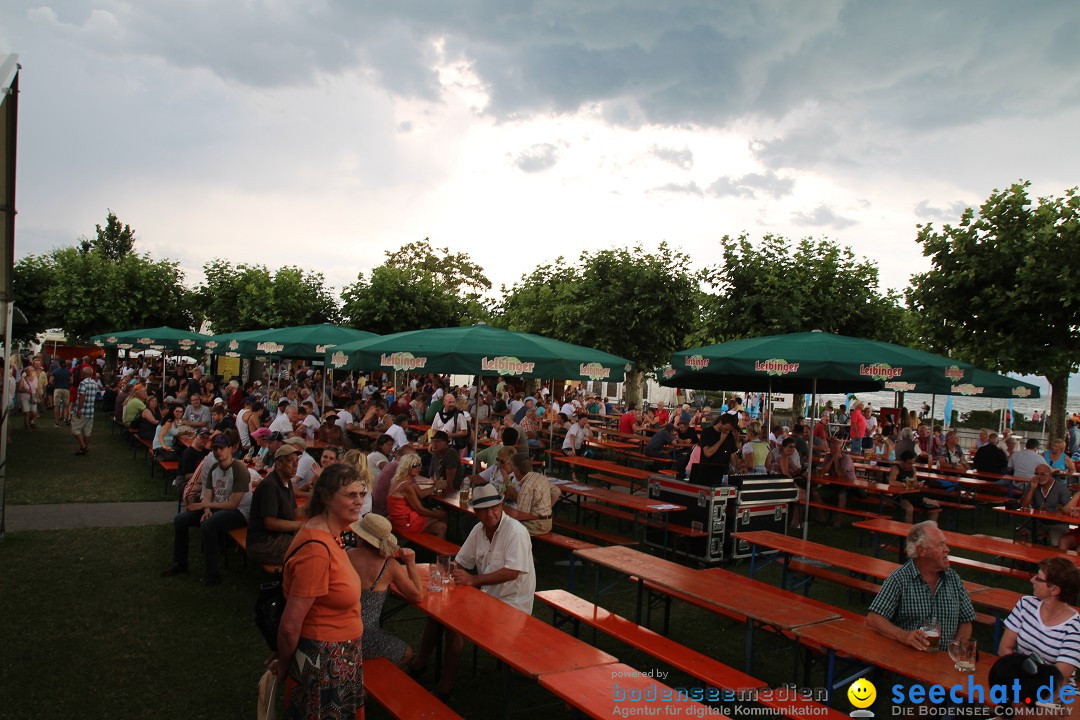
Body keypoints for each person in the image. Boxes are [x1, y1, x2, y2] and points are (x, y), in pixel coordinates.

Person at [409, 483, 535, 700]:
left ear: (501, 505)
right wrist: (451, 570)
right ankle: (420, 665)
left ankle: (445, 687)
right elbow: (460, 561)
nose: (490, 514)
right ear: (475, 512)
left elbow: (512, 572)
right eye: (484, 510)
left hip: (512, 604)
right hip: (488, 597)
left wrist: (474, 579)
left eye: (494, 507)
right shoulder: (479, 530)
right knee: (437, 615)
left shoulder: (516, 531)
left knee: (455, 623)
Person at [271, 464, 367, 719]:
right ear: (326, 497)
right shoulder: (316, 551)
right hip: (324, 662)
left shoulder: (331, 534)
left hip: (339, 654)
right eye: (350, 495)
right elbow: (290, 625)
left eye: (361, 494)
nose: (358, 501)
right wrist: (283, 662)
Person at [867, 521, 975, 650]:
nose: (947, 549)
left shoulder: (953, 578)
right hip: (909, 658)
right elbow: (873, 619)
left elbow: (966, 621)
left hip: (944, 660)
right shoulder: (900, 578)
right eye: (940, 544)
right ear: (921, 550)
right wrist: (903, 635)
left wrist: (956, 649)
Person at [161, 431, 249, 585]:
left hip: (239, 512)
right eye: (215, 448)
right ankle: (180, 563)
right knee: (180, 520)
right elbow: (207, 493)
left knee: (208, 525)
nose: (218, 451)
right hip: (218, 506)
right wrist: (206, 509)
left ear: (231, 449)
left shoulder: (239, 469)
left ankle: (212, 575)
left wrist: (205, 506)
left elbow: (233, 503)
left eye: (222, 448)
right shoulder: (214, 467)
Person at [347, 513, 424, 667]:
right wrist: (410, 563)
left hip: (342, 627)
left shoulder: (345, 553)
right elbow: (417, 595)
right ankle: (373, 681)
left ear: (361, 536)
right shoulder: (389, 566)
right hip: (364, 635)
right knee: (407, 652)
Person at [998, 557, 1080, 684]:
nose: (1032, 580)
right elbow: (1004, 649)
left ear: (1054, 590)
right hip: (1018, 680)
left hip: (1053, 693)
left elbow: (1059, 677)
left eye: (1038, 578)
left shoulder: (1074, 628)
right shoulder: (1025, 604)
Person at [246, 442, 306, 566]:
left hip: (277, 537)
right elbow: (270, 523)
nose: (295, 465)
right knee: (311, 547)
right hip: (263, 543)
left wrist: (318, 510)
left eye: (297, 461)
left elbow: (293, 511)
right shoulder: (270, 486)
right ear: (278, 464)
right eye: (290, 461)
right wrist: (302, 525)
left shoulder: (287, 482)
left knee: (313, 540)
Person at [386, 454, 448, 538]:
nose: (418, 468)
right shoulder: (406, 486)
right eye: (414, 465)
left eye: (419, 465)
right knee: (444, 516)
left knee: (441, 527)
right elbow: (420, 510)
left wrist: (435, 487)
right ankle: (442, 549)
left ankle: (434, 548)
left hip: (399, 520)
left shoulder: (399, 481)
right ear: (406, 467)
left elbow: (420, 494)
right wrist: (437, 515)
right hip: (405, 523)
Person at [1018, 464, 1072, 545]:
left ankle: (1056, 557)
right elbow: (1024, 505)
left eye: (1042, 474)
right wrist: (1032, 488)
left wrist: (1060, 510)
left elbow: (1068, 508)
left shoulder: (1061, 488)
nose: (1039, 476)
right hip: (1038, 521)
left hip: (1057, 523)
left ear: (1050, 474)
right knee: (1022, 533)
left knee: (1056, 542)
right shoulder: (1033, 484)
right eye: (1036, 474)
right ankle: (1025, 556)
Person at [504, 455, 557, 535]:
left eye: (513, 469)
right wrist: (546, 510)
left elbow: (521, 516)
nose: (512, 472)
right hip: (548, 522)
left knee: (505, 529)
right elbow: (556, 492)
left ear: (517, 471)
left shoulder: (526, 487)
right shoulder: (540, 477)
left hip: (536, 524)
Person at [887, 450, 941, 524]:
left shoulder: (913, 469)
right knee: (909, 508)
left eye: (912, 463)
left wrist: (918, 484)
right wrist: (905, 484)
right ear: (903, 461)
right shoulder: (896, 468)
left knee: (935, 506)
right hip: (900, 496)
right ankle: (908, 531)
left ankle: (931, 530)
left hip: (913, 495)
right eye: (909, 463)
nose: (910, 465)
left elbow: (914, 482)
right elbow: (891, 481)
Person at [71, 366, 102, 456]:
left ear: (84, 374)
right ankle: (83, 448)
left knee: (75, 429)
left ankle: (83, 447)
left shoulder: (83, 383)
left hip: (83, 409)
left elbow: (82, 396)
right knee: (88, 430)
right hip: (91, 410)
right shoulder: (94, 383)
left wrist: (79, 408)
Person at [50, 360, 72, 426]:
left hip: (57, 389)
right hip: (66, 389)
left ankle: (57, 420)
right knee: (66, 405)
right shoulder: (68, 372)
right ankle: (66, 418)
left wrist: (55, 384)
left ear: (59, 365)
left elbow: (51, 381)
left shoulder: (55, 371)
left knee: (57, 405)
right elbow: (71, 381)